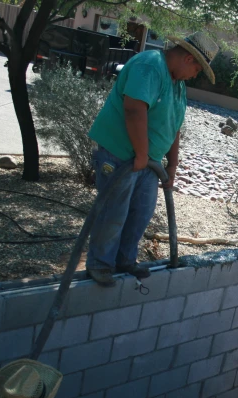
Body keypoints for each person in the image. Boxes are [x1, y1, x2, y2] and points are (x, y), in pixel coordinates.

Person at [85, 32, 219, 286]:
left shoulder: (177, 83)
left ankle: (124, 260)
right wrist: (142, 155)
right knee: (114, 213)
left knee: (140, 214)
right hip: (122, 156)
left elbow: (174, 126)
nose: (196, 76)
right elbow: (134, 109)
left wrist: (172, 164)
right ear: (189, 58)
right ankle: (100, 264)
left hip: (147, 162)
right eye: (198, 70)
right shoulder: (150, 66)